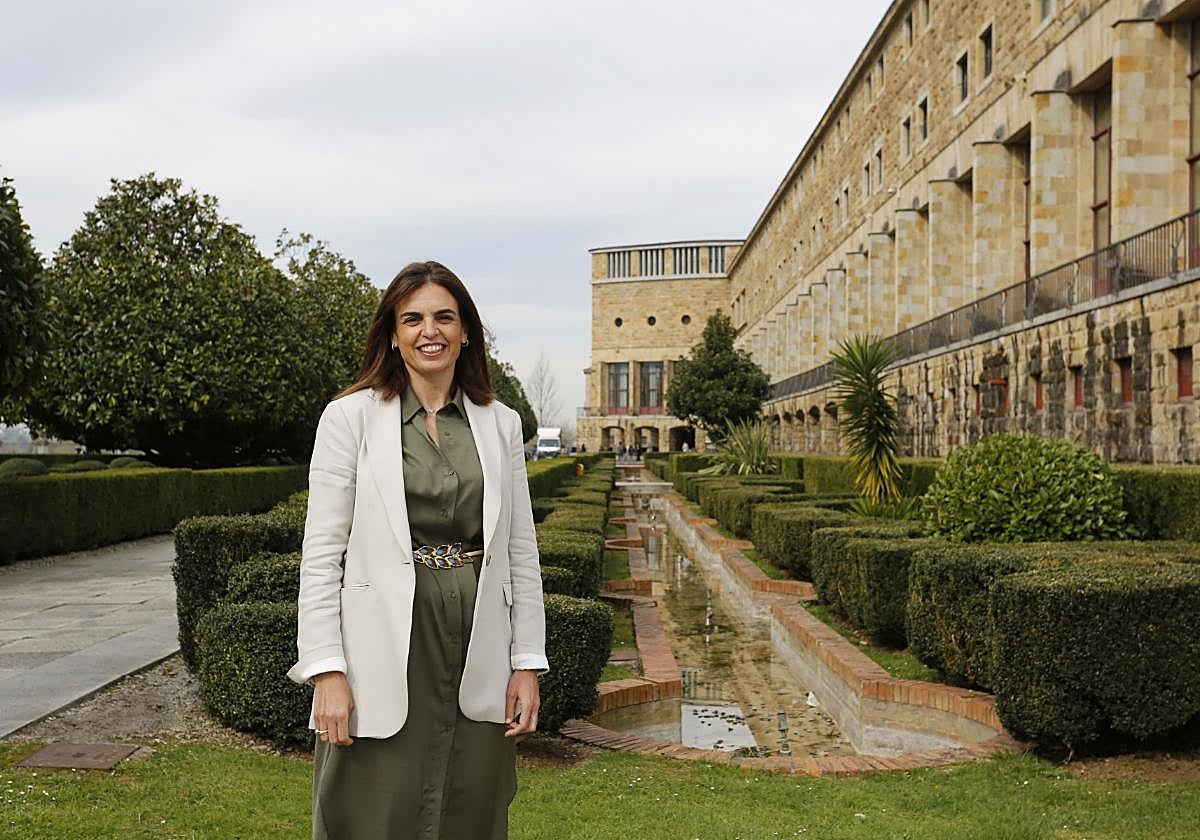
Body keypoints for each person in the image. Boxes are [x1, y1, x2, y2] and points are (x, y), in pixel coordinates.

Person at [287, 260, 548, 839]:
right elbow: (321, 554)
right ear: (393, 334)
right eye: (413, 319)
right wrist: (327, 669)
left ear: (466, 332)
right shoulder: (348, 418)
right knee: (373, 806)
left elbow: (520, 550)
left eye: (443, 317)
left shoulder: (500, 423)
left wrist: (526, 662)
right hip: (384, 645)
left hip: (478, 643)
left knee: (470, 805)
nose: (429, 330)